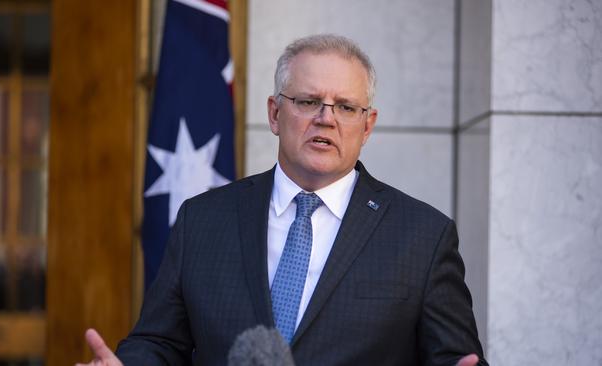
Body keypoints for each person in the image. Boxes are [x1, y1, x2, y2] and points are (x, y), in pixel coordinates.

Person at [77, 34, 487, 366]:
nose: (326, 118)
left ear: (367, 126)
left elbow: (454, 356)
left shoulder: (423, 236)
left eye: (345, 107)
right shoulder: (202, 220)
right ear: (275, 114)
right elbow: (160, 343)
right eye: (308, 101)